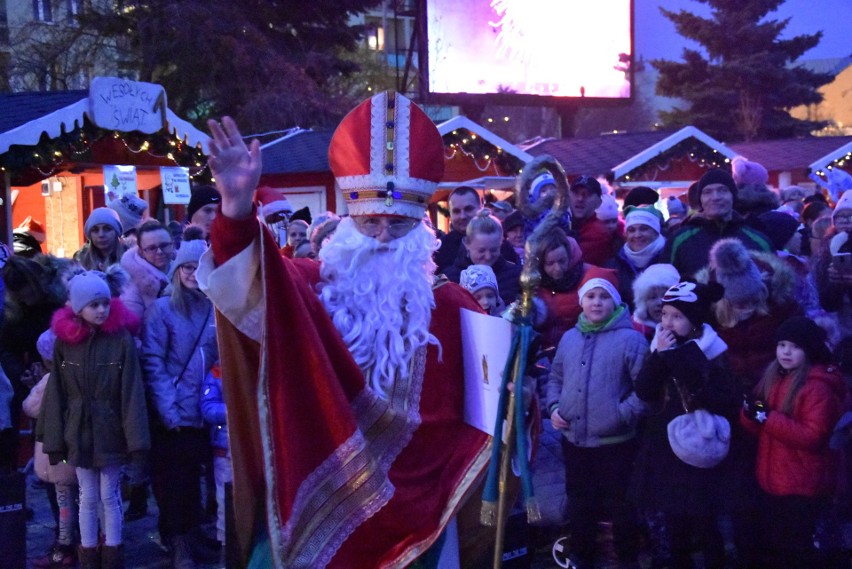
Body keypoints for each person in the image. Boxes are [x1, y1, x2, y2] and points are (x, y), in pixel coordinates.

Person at [198, 94, 491, 568]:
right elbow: (249, 281)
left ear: (420, 225)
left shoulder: (454, 308)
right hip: (321, 494)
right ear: (348, 221)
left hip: (417, 519)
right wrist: (234, 209)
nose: (380, 236)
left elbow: (490, 411)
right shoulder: (312, 285)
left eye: (396, 224)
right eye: (369, 221)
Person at [40, 272, 149, 569]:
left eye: (104, 303)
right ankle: (88, 553)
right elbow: (57, 392)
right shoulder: (66, 343)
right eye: (93, 305)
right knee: (87, 494)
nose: (101, 310)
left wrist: (136, 439)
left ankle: (112, 553)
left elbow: (130, 391)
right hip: (78, 431)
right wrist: (55, 437)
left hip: (111, 429)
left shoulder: (121, 340)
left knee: (110, 494)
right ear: (78, 308)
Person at [630, 281, 739, 569]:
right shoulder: (661, 345)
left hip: (700, 445)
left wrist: (675, 356)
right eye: (665, 315)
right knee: (674, 522)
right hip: (666, 445)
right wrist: (658, 357)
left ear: (694, 319)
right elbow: (644, 390)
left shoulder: (711, 349)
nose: (667, 323)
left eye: (676, 316)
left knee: (705, 522)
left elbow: (722, 396)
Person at [546, 272, 649, 569]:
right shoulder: (570, 338)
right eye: (590, 296)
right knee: (580, 505)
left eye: (604, 296)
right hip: (575, 440)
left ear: (615, 302)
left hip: (614, 443)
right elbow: (556, 377)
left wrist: (620, 415)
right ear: (581, 302)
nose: (597, 302)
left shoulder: (631, 340)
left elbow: (645, 390)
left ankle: (627, 558)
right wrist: (554, 406)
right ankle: (583, 557)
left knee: (621, 506)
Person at [741, 316, 846, 569]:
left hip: (802, 483)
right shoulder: (772, 376)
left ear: (809, 349)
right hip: (773, 479)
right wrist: (749, 413)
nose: (786, 352)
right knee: (777, 546)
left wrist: (766, 417)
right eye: (782, 345)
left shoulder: (817, 388)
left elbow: (812, 437)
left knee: (797, 548)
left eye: (795, 347)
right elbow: (756, 425)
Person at [140, 231, 217, 568]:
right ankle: (179, 542)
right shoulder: (161, 309)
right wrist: (168, 410)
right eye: (185, 267)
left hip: (204, 410)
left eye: (197, 267)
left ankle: (195, 536)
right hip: (173, 411)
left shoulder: (216, 307)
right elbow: (154, 362)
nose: (190, 273)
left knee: (196, 480)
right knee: (174, 482)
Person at [665, 169, 773, 278]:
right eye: (707, 192)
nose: (715, 197)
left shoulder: (759, 240)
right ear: (700, 200)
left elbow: (773, 284)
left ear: (733, 196)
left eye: (722, 190)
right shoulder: (679, 240)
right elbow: (664, 283)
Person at [534, 227, 617, 352]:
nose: (557, 268)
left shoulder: (589, 277)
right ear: (541, 264)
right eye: (550, 263)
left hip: (579, 349)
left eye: (562, 261)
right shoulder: (533, 283)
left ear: (570, 257)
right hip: (541, 352)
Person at [443, 209, 522, 306]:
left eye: (493, 250)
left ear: (501, 243)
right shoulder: (449, 279)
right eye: (481, 251)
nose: (488, 257)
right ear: (467, 243)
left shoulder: (516, 277)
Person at [434, 186, 518, 274]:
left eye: (468, 209)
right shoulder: (441, 249)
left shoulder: (502, 245)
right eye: (456, 211)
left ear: (480, 206)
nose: (462, 216)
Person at [606, 205, 666, 310]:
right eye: (632, 230)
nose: (637, 235)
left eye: (644, 229)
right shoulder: (613, 265)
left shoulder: (671, 258)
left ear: (656, 231)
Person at [200, 363, 231, 562]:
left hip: (254, 449)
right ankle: (226, 548)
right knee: (224, 501)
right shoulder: (219, 370)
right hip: (225, 449)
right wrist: (235, 409)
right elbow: (208, 407)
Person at [120, 220, 175, 318]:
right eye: (152, 248)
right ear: (141, 251)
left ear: (173, 244)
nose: (159, 252)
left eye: (164, 245)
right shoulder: (132, 286)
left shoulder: (187, 271)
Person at [569, 175, 616, 266]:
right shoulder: (564, 223)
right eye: (576, 193)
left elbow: (570, 263)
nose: (580, 199)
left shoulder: (598, 234)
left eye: (587, 194)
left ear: (598, 202)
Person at [630, 263, 680, 341]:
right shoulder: (633, 333)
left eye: (665, 296)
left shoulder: (689, 332)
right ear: (643, 303)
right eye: (652, 298)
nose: (659, 303)